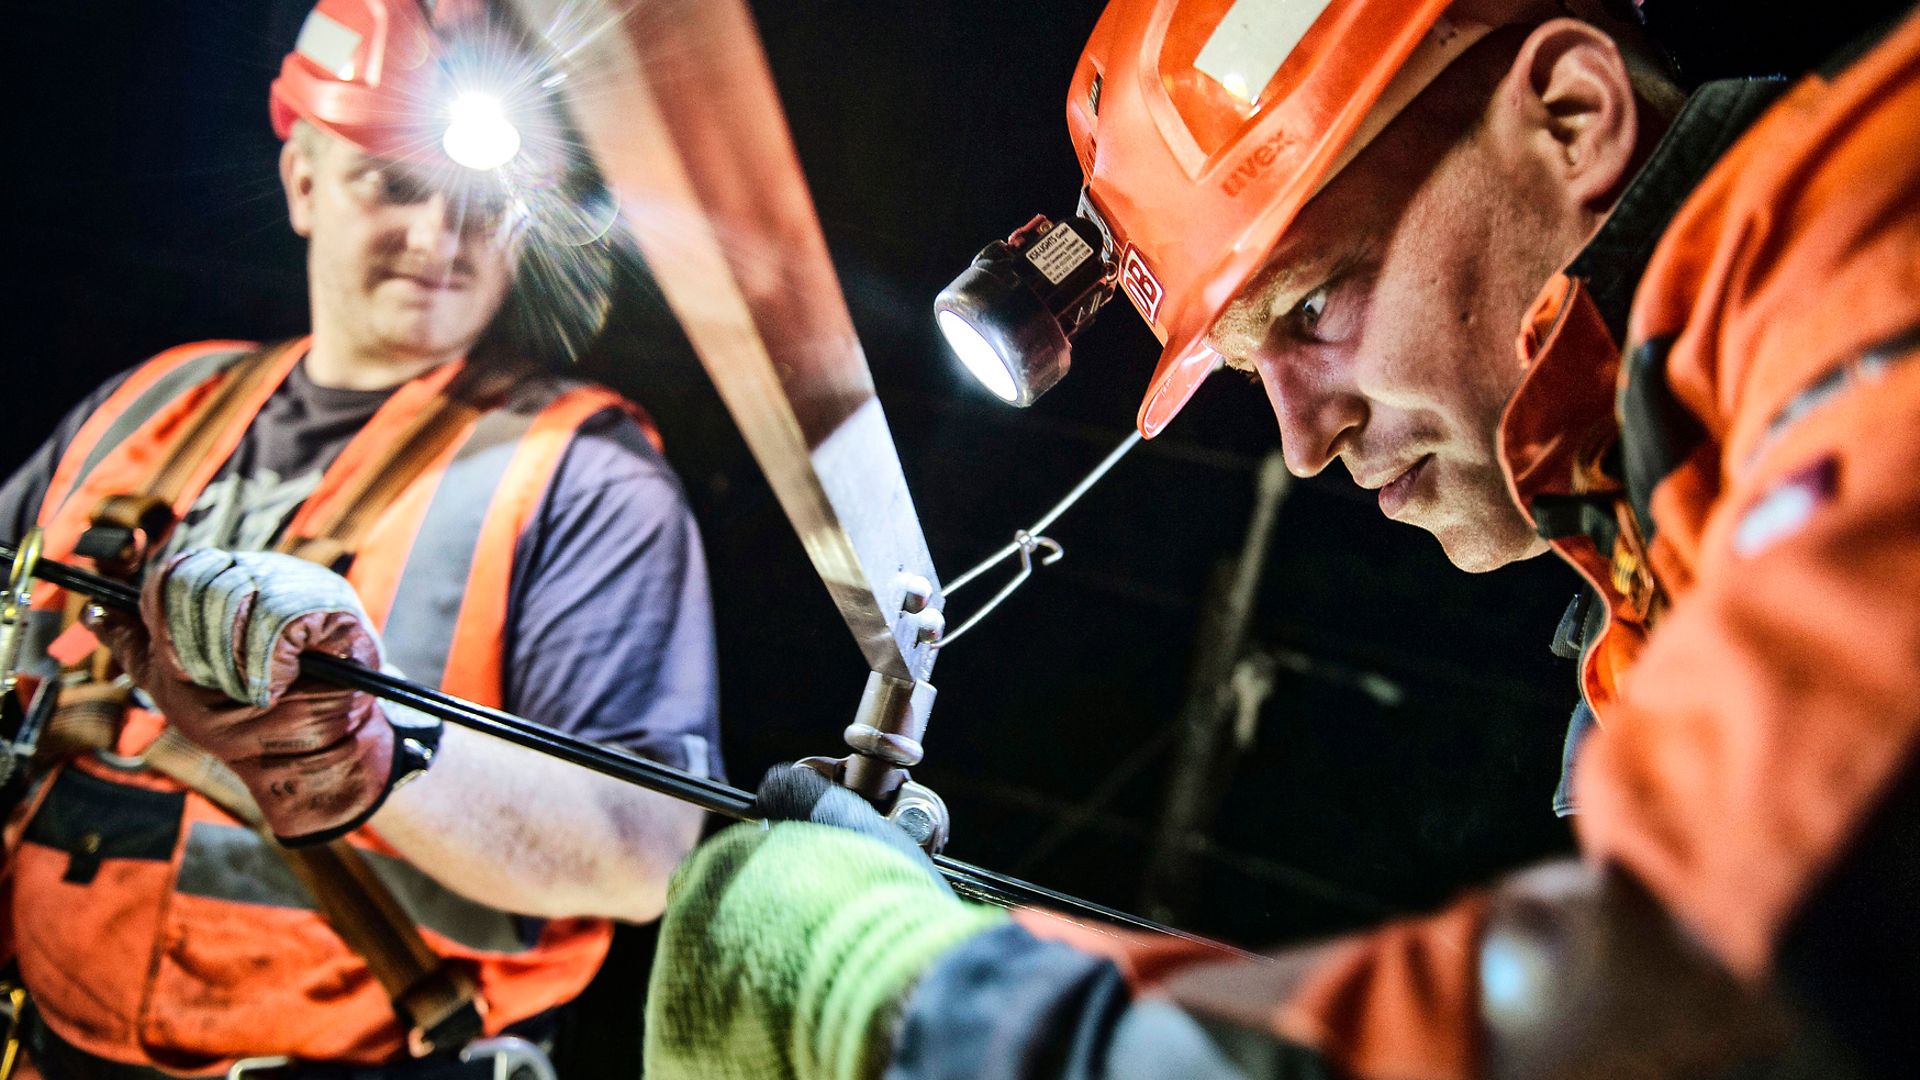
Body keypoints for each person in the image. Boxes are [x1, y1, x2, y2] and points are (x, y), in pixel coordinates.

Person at [642, 0, 1920, 1077]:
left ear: (1571, 117)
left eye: (1314, 303)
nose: (1303, 442)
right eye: (1255, 373)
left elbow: (1699, 994)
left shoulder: (1875, 243)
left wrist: (918, 1001)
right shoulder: (1675, 568)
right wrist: (991, 951)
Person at [0, 0, 719, 1075]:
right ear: (303, 181)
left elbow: (638, 854)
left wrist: (380, 749)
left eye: (483, 202)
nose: (439, 237)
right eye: (393, 182)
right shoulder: (146, 403)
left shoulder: (586, 479)